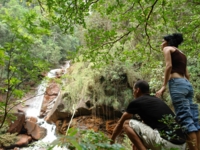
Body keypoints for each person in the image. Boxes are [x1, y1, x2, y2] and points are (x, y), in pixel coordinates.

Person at [110, 80, 186, 150]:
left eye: (133, 91)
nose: (133, 94)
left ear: (137, 90)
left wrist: (111, 141)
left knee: (126, 123)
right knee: (137, 143)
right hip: (182, 145)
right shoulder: (157, 101)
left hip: (167, 143)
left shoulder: (137, 102)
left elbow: (121, 122)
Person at [156, 33, 200, 150]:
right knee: (194, 119)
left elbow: (169, 66)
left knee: (184, 118)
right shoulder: (182, 54)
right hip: (187, 85)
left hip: (177, 84)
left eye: (162, 41)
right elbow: (187, 75)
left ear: (167, 41)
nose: (161, 44)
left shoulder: (167, 49)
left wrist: (164, 85)